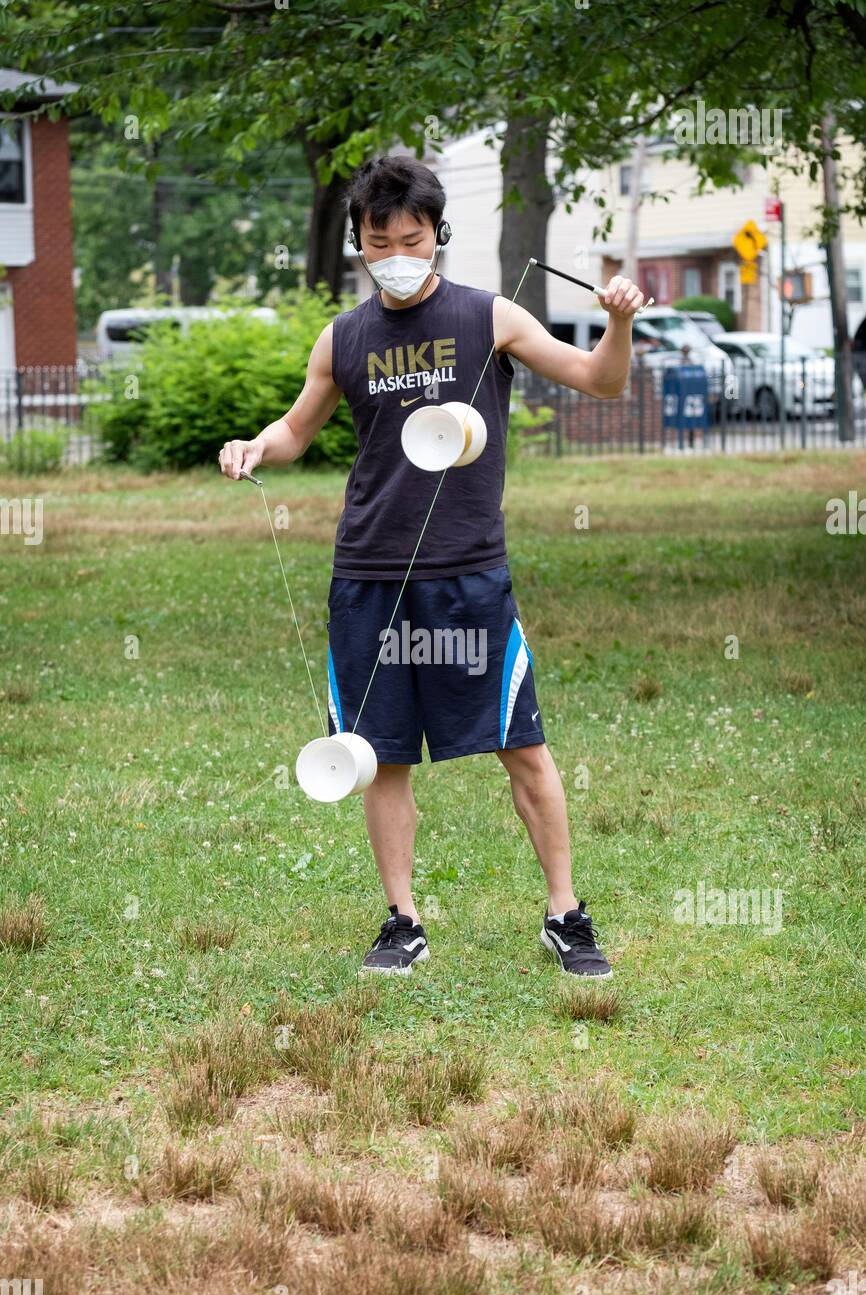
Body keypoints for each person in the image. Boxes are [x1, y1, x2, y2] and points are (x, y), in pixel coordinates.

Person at [219, 155, 645, 979]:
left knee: (522, 747)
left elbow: (600, 380)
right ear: (361, 245)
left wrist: (619, 322)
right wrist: (254, 446)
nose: (398, 255)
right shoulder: (342, 336)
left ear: (438, 235)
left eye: (412, 239)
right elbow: (296, 430)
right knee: (378, 753)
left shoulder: (491, 317)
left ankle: (565, 914)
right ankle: (401, 920)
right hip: (369, 572)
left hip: (468, 573)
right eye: (381, 243)